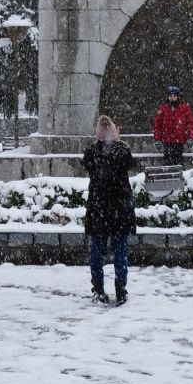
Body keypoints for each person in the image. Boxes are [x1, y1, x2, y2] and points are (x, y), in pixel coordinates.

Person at [81, 115, 137, 305]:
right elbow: (130, 164)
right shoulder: (123, 151)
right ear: (115, 132)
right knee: (120, 250)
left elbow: (87, 165)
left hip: (98, 208)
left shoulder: (92, 151)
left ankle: (98, 290)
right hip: (120, 208)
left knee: (97, 252)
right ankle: (121, 290)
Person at [153, 85, 193, 166]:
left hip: (179, 141)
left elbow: (190, 123)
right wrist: (157, 139)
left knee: (178, 163)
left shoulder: (184, 108)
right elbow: (157, 125)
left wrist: (190, 138)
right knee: (167, 163)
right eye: (170, 96)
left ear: (177, 96)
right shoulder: (163, 108)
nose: (172, 98)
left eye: (174, 96)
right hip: (167, 141)